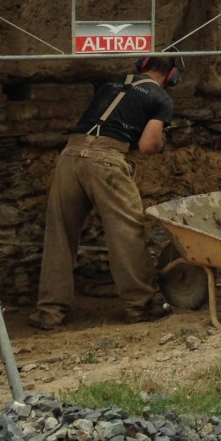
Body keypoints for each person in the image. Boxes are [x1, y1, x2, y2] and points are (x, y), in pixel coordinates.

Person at [28, 56, 181, 329]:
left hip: (70, 155)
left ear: (142, 65)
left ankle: (49, 311)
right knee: (127, 232)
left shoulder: (111, 82)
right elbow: (148, 145)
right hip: (107, 160)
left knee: (60, 233)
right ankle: (140, 305)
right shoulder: (161, 98)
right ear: (171, 76)